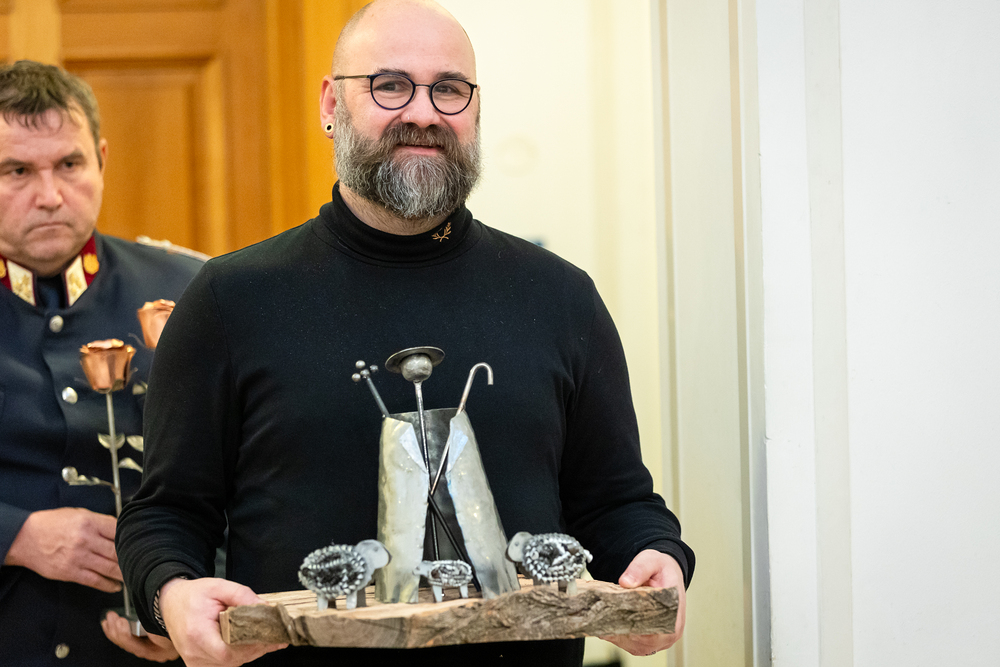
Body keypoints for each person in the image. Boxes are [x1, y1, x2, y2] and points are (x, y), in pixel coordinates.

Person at [116, 1, 695, 666]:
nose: (423, 112)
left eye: (449, 89)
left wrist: (657, 558)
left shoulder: (562, 298)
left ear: (475, 110)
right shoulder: (229, 300)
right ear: (331, 104)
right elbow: (164, 515)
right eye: (389, 85)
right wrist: (171, 593)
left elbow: (617, 503)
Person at [0, 60, 204, 665]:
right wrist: (14, 535)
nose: (50, 196)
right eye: (16, 171)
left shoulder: (189, 290)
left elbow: (245, 475)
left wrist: (188, 607)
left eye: (70, 164)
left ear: (102, 160)